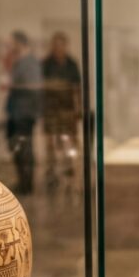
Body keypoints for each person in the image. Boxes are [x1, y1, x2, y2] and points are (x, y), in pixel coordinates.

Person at [40, 31, 81, 191]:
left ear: (65, 46)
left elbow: (77, 88)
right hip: (50, 110)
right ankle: (51, 172)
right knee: (50, 143)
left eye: (61, 45)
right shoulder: (46, 64)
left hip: (67, 109)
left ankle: (68, 169)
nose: (58, 48)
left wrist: (78, 109)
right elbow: (41, 87)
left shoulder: (72, 64)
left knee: (68, 141)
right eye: (55, 45)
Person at [4, 30, 43, 195]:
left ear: (19, 43)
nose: (9, 46)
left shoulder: (30, 62)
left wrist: (12, 86)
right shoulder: (20, 61)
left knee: (24, 148)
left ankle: (26, 184)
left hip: (25, 112)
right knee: (18, 147)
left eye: (11, 43)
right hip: (17, 111)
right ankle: (23, 182)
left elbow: (34, 86)